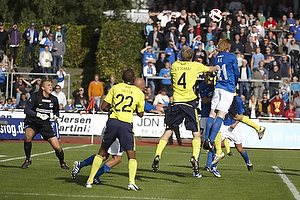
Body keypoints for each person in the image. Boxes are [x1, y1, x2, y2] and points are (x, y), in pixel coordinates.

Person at [151, 47, 218, 178]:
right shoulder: (195, 66)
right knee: (196, 134)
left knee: (168, 131)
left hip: (176, 102)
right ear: (192, 57)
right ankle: (194, 157)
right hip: (189, 103)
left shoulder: (175, 65)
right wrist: (217, 63)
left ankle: (157, 154)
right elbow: (210, 69)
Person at [84, 69, 144, 190]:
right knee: (131, 155)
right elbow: (141, 113)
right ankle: (131, 182)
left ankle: (89, 181)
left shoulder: (115, 87)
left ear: (122, 78)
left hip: (113, 122)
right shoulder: (138, 93)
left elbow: (103, 106)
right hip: (126, 124)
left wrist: (114, 109)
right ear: (133, 79)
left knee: (102, 152)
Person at [21, 79, 69, 170]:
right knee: (28, 136)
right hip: (33, 122)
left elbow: (56, 111)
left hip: (45, 125)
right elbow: (26, 110)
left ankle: (62, 162)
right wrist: (37, 114)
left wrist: (56, 117)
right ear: (42, 88)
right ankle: (27, 159)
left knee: (57, 147)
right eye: (48, 85)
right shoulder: (35, 96)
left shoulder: (54, 99)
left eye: (51, 85)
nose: (51, 87)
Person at [203, 38, 239, 152]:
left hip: (217, 87)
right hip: (227, 88)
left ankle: (206, 138)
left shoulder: (216, 58)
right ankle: (211, 140)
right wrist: (235, 83)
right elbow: (236, 72)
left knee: (212, 113)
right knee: (221, 115)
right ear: (228, 47)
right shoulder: (232, 56)